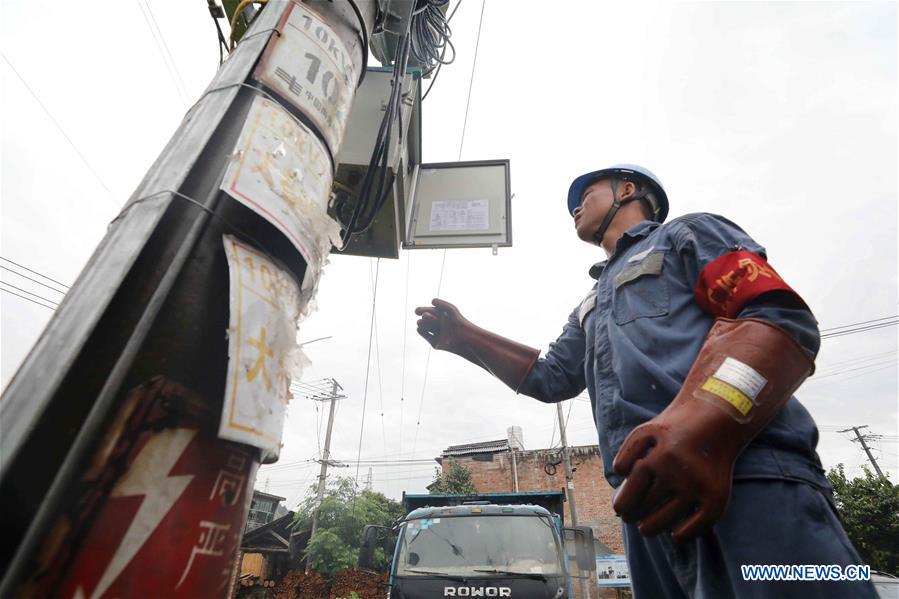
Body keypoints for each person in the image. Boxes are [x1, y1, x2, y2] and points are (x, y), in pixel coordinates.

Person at [414, 164, 876, 598]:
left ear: (628, 190)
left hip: (749, 477)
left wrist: (703, 426)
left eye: (586, 194)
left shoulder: (687, 234)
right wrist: (465, 337)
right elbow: (550, 377)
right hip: (647, 506)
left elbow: (775, 319)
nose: (574, 207)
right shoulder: (591, 301)